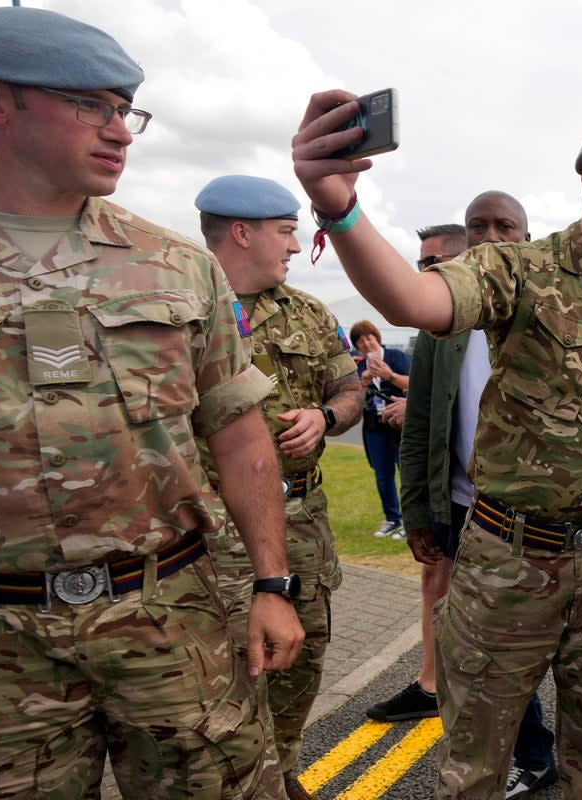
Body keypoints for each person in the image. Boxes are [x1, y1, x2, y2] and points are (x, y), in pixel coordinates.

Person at [0, 7, 303, 797]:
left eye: (125, 109)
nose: (119, 130)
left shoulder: (177, 266)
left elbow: (238, 432)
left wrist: (271, 585)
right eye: (89, 105)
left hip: (170, 619)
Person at [293, 96, 582, 799]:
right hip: (511, 561)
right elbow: (415, 300)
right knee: (475, 768)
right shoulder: (518, 269)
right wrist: (341, 211)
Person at [364, 198, 562, 799]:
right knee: (486, 649)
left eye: (505, 228)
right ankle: (532, 753)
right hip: (466, 511)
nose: (490, 239)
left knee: (575, 639)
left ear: (529, 239)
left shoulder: (552, 314)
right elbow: (422, 424)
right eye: (478, 228)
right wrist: (418, 511)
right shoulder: (440, 330)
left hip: (548, 518)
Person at [193, 175, 364, 800]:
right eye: (287, 232)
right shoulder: (182, 308)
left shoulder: (310, 314)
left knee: (304, 653)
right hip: (213, 532)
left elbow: (351, 391)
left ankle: (282, 768)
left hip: (303, 523)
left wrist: (327, 418)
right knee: (227, 670)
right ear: (243, 233)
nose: (296, 246)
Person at [350, 319, 410, 539]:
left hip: (401, 425)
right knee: (383, 475)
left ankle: (412, 523)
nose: (366, 343)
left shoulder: (395, 357)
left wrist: (388, 375)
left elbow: (414, 383)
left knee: (407, 473)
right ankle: (393, 519)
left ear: (377, 338)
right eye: (360, 341)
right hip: (375, 426)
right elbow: (355, 401)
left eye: (369, 338)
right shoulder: (359, 367)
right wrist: (364, 382)